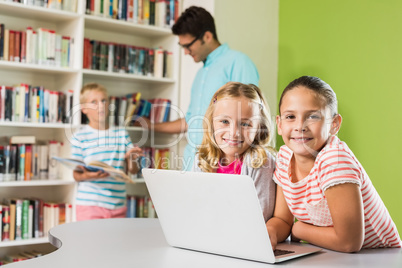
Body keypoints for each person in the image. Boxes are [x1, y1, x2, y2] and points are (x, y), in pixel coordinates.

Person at [266, 76, 402, 252]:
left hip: (378, 256)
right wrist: (270, 231)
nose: (300, 126)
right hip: (331, 252)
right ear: (279, 124)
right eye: (290, 116)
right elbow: (283, 220)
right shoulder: (285, 156)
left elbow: (349, 242)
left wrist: (299, 229)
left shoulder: (335, 160)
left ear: (334, 125)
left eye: (313, 116)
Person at [138, 6, 259, 171]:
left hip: (221, 165)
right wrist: (151, 126)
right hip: (192, 163)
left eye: (188, 46)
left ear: (207, 36)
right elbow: (190, 121)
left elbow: (250, 117)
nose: (186, 52)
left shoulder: (238, 62)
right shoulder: (200, 74)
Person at [192, 82, 276, 222]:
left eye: (245, 124)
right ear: (212, 122)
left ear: (259, 127)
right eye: (224, 121)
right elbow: (195, 207)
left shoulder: (261, 162)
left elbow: (260, 217)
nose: (234, 133)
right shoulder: (202, 159)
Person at [71, 83, 143, 221]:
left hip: (118, 205)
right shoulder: (79, 137)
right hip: (89, 205)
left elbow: (132, 171)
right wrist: (90, 175)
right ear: (84, 109)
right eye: (94, 102)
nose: (101, 105)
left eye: (104, 100)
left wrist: (131, 158)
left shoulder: (121, 133)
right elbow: (76, 174)